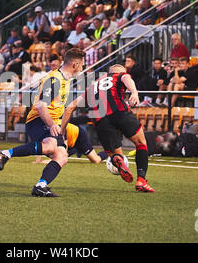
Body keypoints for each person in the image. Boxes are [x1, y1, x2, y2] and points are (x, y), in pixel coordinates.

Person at [0, 48, 86, 197]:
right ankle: (4, 154)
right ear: (74, 65)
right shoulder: (54, 79)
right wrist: (51, 125)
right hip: (38, 120)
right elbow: (41, 105)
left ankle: (41, 186)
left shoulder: (65, 80)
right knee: (50, 146)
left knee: (62, 156)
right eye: (82, 65)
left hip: (53, 123)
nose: (83, 68)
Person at [61, 64, 155, 193]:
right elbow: (127, 79)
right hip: (119, 111)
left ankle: (117, 159)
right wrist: (134, 92)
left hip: (99, 120)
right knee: (141, 143)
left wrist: (62, 132)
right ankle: (141, 180)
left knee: (115, 154)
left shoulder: (92, 86)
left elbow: (70, 107)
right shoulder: (120, 75)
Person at [33, 123, 108, 164]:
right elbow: (42, 143)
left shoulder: (58, 127)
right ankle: (77, 150)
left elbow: (63, 148)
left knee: (96, 160)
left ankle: (110, 151)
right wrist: (38, 160)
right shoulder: (44, 127)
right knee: (50, 151)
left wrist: (53, 161)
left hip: (78, 135)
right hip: (70, 141)